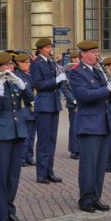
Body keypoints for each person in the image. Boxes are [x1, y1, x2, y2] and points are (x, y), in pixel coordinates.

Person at [0, 52, 32, 221]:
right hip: (1, 135)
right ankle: (0, 215)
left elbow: (31, 100)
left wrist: (20, 83)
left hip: (17, 132)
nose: (12, 68)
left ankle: (10, 212)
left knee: (13, 176)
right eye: (8, 65)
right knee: (1, 177)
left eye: (12, 65)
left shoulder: (14, 81)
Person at [67, 40, 111, 213]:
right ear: (83, 54)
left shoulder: (98, 71)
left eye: (97, 51)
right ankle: (86, 199)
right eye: (94, 52)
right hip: (88, 124)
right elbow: (84, 95)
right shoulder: (77, 73)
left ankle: (96, 197)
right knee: (89, 164)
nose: (97, 55)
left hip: (103, 123)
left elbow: (107, 96)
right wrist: (108, 89)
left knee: (100, 164)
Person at [31, 37, 66, 183]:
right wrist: (55, 81)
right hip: (44, 105)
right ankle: (41, 173)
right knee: (44, 141)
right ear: (40, 49)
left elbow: (54, 84)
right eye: (47, 48)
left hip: (53, 104)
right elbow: (37, 84)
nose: (50, 50)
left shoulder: (51, 62)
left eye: (50, 47)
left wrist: (61, 79)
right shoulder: (36, 63)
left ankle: (49, 171)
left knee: (52, 140)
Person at [14, 53, 37, 166]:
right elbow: (27, 92)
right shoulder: (18, 76)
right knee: (25, 135)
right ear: (19, 63)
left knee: (32, 135)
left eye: (29, 62)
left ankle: (29, 156)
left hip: (32, 108)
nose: (29, 64)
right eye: (26, 62)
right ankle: (22, 157)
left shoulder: (29, 75)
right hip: (24, 107)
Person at [62, 52, 79, 160]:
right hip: (73, 104)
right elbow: (65, 88)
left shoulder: (82, 72)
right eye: (73, 59)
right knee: (74, 127)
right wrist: (73, 100)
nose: (75, 61)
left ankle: (81, 148)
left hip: (83, 102)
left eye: (77, 59)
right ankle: (74, 150)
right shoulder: (67, 73)